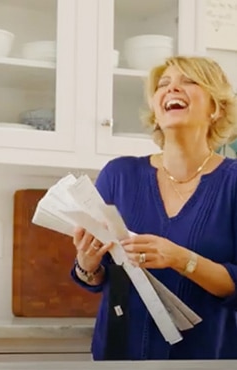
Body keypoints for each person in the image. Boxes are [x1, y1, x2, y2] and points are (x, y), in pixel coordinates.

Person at [71, 55, 237, 360]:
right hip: (119, 357)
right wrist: (87, 265)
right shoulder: (118, 175)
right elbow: (96, 276)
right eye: (164, 84)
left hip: (207, 359)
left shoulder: (232, 183)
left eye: (188, 81)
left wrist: (180, 259)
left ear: (216, 108)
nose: (172, 89)